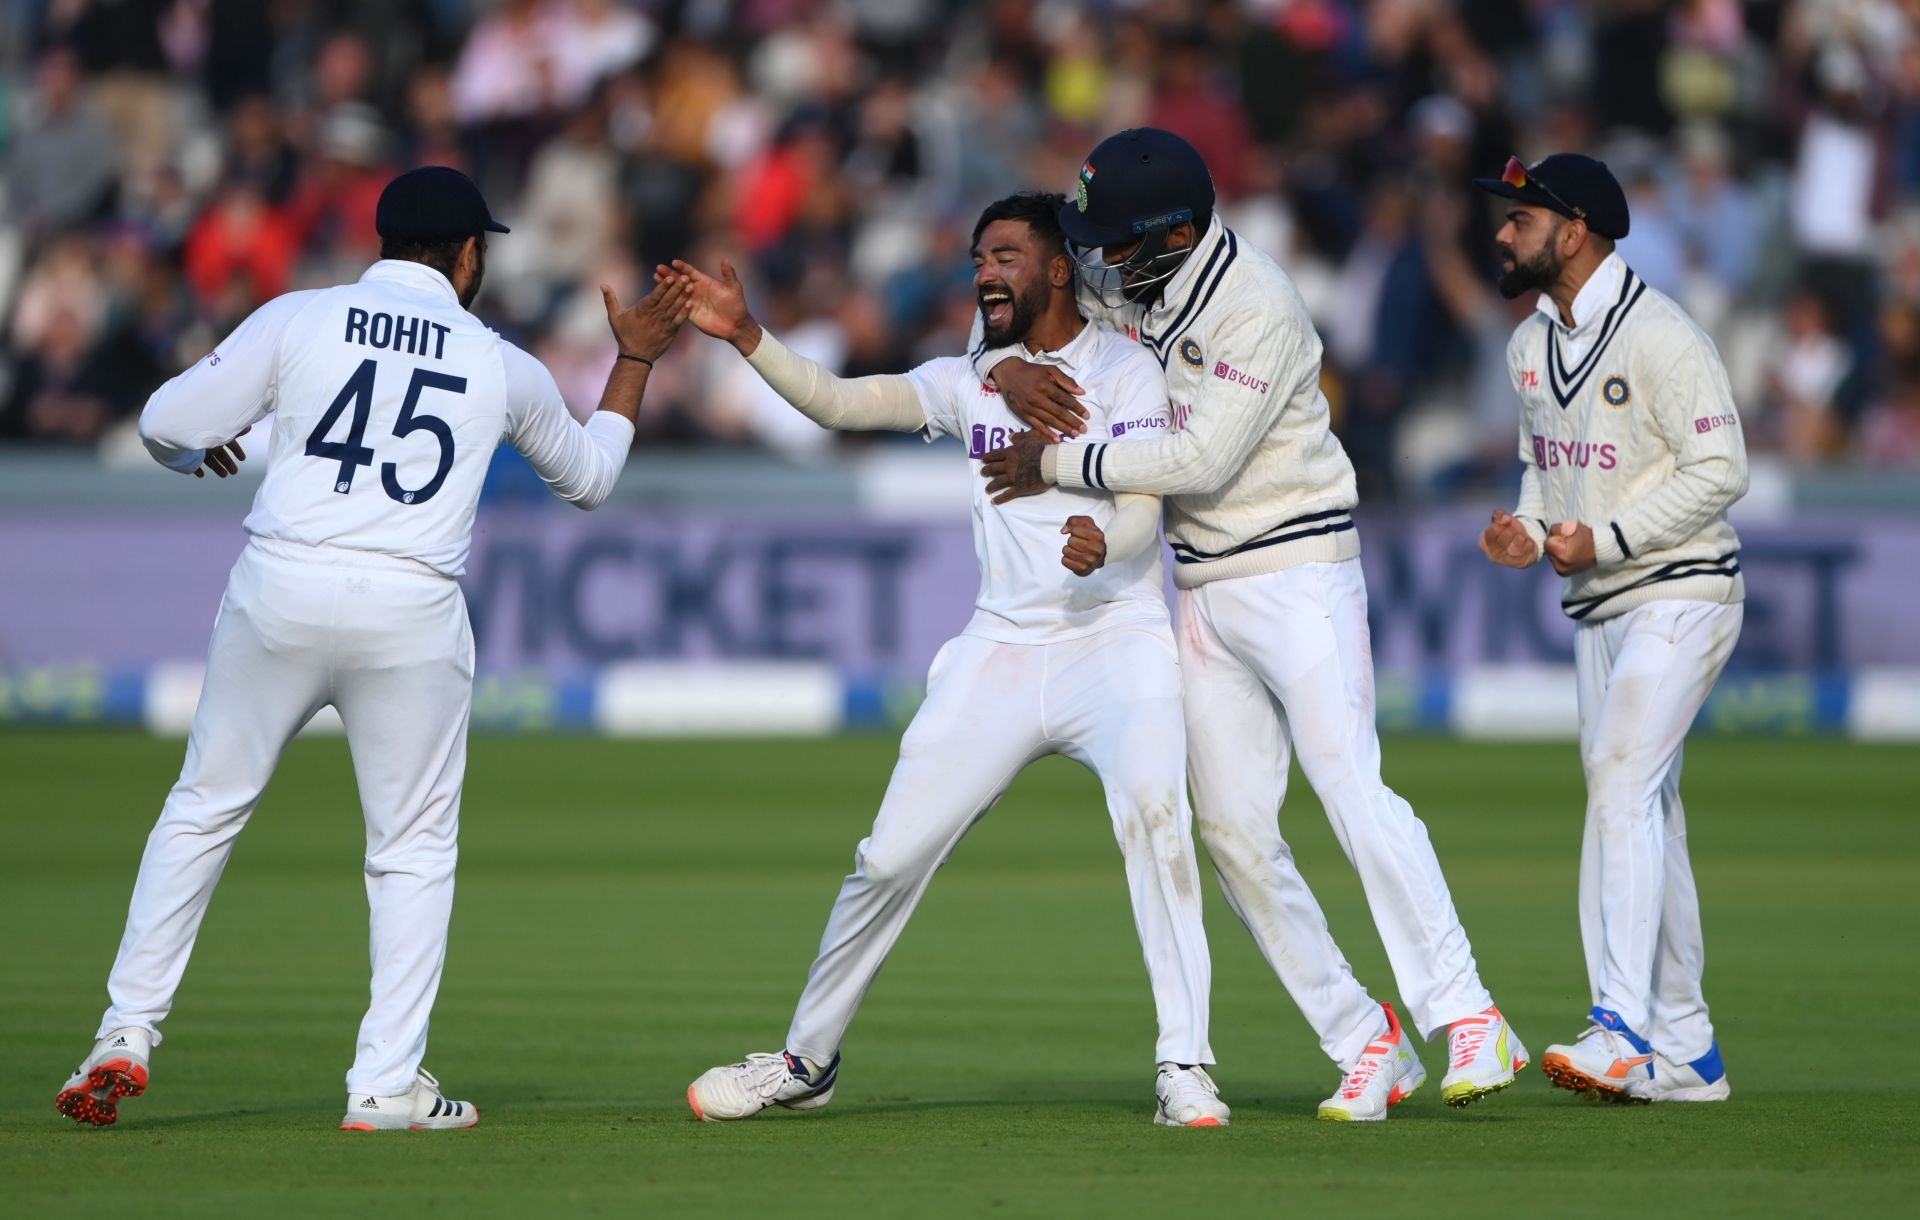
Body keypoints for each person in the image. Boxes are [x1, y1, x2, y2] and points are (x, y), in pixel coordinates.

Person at [55, 166, 690, 1131]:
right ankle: (386, 1084)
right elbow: (593, 479)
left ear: (385, 240)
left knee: (203, 808)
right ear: (469, 254)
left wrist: (198, 451)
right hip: (411, 606)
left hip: (283, 584)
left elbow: (161, 424)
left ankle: (124, 1032)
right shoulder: (498, 360)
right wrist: (633, 359)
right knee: (411, 851)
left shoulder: (298, 317)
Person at [975, 129, 1525, 1121]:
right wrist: (999, 368)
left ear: (1174, 230)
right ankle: (1368, 1038)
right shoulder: (1137, 276)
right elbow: (1028, 311)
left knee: (1351, 787)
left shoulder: (1254, 302)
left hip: (1300, 569)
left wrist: (1053, 465)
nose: (1097, 257)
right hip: (1205, 587)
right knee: (1231, 831)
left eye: (1115, 240)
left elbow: (1196, 460)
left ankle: (1470, 1012)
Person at [676, 192, 1229, 1128]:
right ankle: (807, 1059)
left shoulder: (1128, 370)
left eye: (1005, 255)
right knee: (885, 859)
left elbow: (1145, 497)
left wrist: (1117, 544)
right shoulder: (971, 375)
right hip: (999, 648)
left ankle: (1185, 1066)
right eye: (978, 257)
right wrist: (748, 336)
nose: (983, 271)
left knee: (1158, 825)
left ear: (1059, 267)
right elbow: (845, 403)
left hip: (1115, 638)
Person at [1475, 153, 1745, 1103]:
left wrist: (1612, 536)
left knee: (1620, 778)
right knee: (1645, 810)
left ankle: (1619, 1028)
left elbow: (1723, 469)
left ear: (1574, 229)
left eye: (1520, 220)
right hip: (1601, 607)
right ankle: (1689, 1051)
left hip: (1683, 589)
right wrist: (1529, 527)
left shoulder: (1662, 335)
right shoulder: (1527, 347)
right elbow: (1546, 472)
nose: (1503, 235)